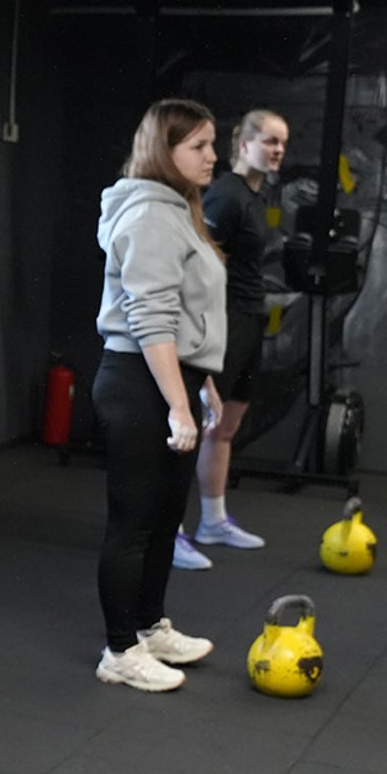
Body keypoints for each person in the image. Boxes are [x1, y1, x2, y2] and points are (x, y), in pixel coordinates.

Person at [91, 98, 227, 692]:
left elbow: (190, 313)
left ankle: (149, 625)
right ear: (163, 152)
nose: (212, 156)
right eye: (199, 146)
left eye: (212, 144)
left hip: (172, 377)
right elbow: (149, 318)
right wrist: (177, 403)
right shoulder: (148, 214)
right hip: (139, 382)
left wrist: (204, 384)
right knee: (134, 521)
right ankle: (120, 650)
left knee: (166, 515)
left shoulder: (180, 212)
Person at [179, 108, 289, 562]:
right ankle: (169, 530)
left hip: (249, 319)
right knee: (198, 425)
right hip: (223, 321)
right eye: (270, 141)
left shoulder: (254, 197)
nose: (278, 150)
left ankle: (213, 521)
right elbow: (196, 260)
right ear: (244, 144)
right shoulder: (226, 195)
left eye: (282, 143)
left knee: (225, 426)